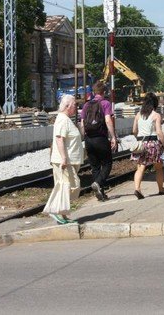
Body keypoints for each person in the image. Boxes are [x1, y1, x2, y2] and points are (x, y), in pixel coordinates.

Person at [43, 95, 83, 224]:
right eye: (75, 105)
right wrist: (64, 158)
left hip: (69, 160)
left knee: (66, 186)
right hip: (64, 161)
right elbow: (59, 139)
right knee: (69, 185)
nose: (76, 107)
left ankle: (62, 214)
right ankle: (55, 211)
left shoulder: (66, 119)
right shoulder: (62, 119)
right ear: (68, 106)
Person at [80, 81, 118, 201]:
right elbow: (108, 120)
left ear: (93, 92)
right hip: (100, 138)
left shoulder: (86, 105)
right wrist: (113, 137)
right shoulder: (106, 103)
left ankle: (100, 193)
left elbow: (81, 124)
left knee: (95, 166)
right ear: (104, 92)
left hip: (88, 139)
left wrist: (84, 137)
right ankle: (98, 183)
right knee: (107, 163)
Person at [131, 92, 164, 199]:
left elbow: (134, 130)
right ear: (155, 103)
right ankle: (161, 189)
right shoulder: (156, 115)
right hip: (153, 144)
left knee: (140, 167)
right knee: (158, 167)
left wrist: (139, 138)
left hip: (140, 143)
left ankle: (137, 189)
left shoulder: (138, 115)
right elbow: (159, 132)